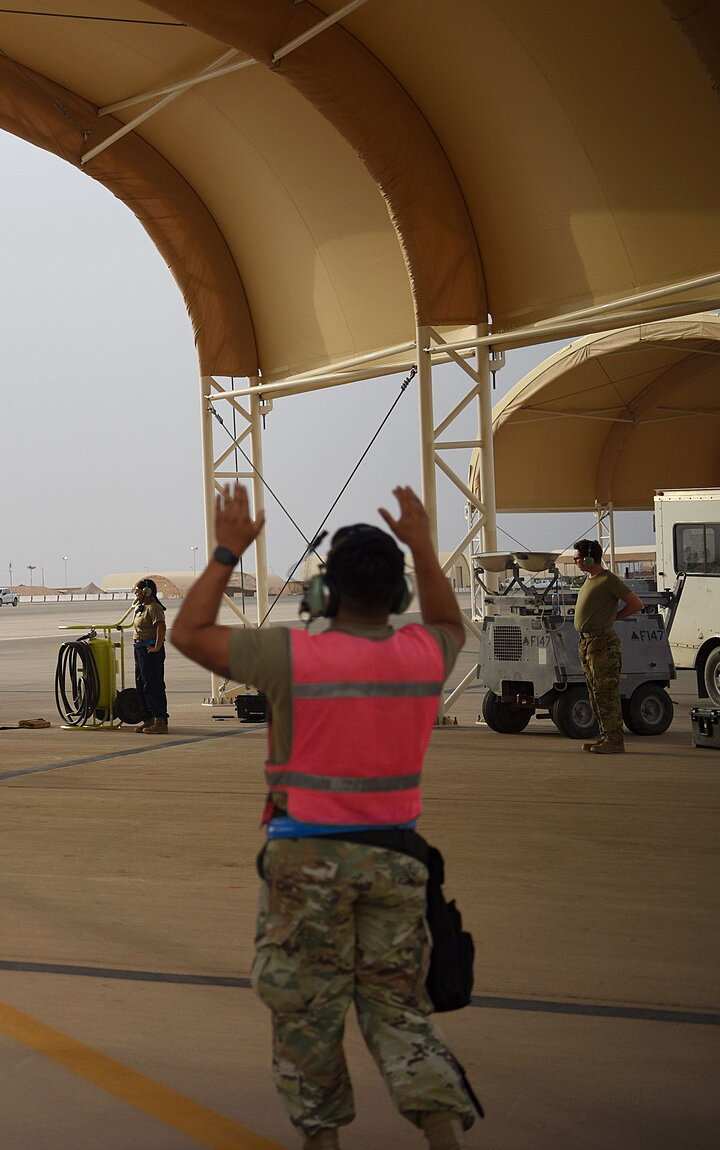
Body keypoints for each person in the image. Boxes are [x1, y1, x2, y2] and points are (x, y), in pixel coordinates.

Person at [170, 483, 480, 1150]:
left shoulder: (292, 653)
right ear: (398, 597)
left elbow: (188, 632)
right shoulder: (426, 655)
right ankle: (444, 1133)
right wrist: (423, 546)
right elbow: (452, 623)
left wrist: (229, 549)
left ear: (322, 595)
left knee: (308, 1010)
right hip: (397, 858)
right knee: (398, 1006)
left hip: (306, 860)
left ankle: (322, 1141)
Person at [572, 538, 641, 755]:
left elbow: (636, 603)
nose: (575, 561)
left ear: (590, 557)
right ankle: (606, 737)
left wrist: (613, 618)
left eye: (577, 558)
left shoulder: (608, 580)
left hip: (602, 643)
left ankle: (614, 739)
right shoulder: (589, 580)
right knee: (595, 693)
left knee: (606, 692)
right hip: (587, 642)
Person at [132, 578, 169, 733]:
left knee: (153, 685)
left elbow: (161, 627)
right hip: (139, 649)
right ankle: (148, 719)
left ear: (147, 592)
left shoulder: (154, 608)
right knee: (141, 685)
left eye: (138, 591)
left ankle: (160, 721)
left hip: (150, 650)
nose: (135, 594)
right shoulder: (142, 607)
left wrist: (157, 647)